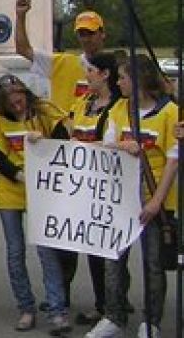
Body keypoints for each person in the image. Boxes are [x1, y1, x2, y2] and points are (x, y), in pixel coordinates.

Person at [86, 56, 179, 338]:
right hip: (120, 200)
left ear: (138, 80)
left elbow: (174, 159)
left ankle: (151, 320)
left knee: (153, 264)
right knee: (113, 260)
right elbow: (106, 144)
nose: (117, 82)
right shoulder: (119, 109)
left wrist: (156, 201)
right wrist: (119, 146)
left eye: (123, 78)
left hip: (155, 199)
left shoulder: (171, 112)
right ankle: (114, 315)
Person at [0, 74, 70, 334]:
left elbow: (64, 144)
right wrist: (19, 175)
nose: (17, 106)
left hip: (41, 191)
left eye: (19, 99)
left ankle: (57, 309)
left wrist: (43, 143)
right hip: (11, 190)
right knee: (15, 250)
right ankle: (26, 307)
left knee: (47, 251)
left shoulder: (43, 114)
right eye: (11, 103)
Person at [63, 52, 124, 326]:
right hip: (83, 187)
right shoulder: (83, 102)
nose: (86, 75)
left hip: (108, 188)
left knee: (109, 252)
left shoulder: (119, 107)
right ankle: (104, 303)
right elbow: (68, 130)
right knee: (91, 248)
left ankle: (114, 304)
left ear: (104, 74)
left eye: (90, 70)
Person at [15, 0, 106, 114]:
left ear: (102, 34)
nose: (86, 39)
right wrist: (20, 16)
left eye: (91, 33)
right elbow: (23, 49)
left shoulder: (113, 68)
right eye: (82, 34)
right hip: (63, 129)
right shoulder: (61, 62)